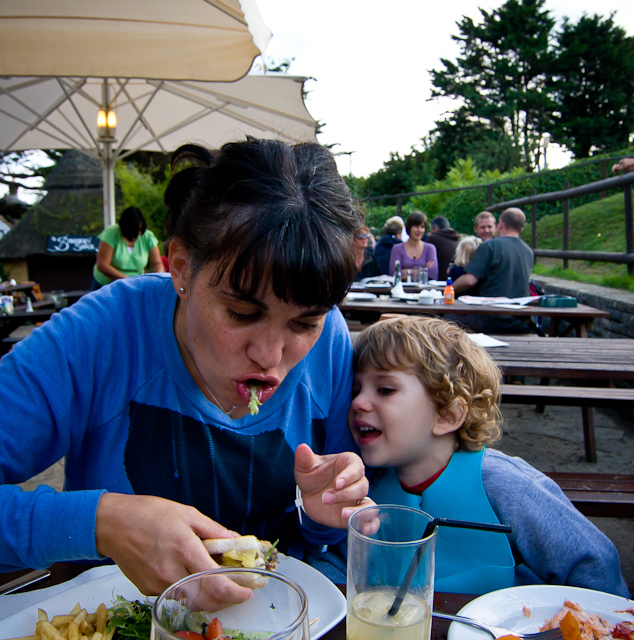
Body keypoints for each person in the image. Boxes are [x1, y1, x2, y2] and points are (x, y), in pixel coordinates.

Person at [0, 138, 372, 602]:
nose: (271, 355)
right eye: (241, 313)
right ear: (180, 267)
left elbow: (339, 541)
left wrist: (325, 517)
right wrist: (102, 522)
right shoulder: (100, 335)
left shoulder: (331, 340)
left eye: (304, 322)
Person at [349, 316, 629, 596]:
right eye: (356, 390)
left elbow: (595, 564)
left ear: (448, 415)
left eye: (385, 390)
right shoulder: (367, 485)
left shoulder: (508, 488)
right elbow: (341, 562)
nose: (358, 402)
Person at [451, 208, 533, 333]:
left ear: (500, 224)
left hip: (491, 319)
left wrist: (447, 290)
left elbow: (469, 281)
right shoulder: (528, 251)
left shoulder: (490, 246)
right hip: (520, 322)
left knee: (446, 320)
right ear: (521, 228)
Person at [91, 206, 164, 291]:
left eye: (141, 229)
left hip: (136, 285)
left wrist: (157, 278)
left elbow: (156, 263)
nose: (139, 233)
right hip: (106, 285)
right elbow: (102, 265)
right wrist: (129, 280)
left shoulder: (147, 236)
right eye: (136, 230)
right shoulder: (111, 233)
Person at [388, 211, 438, 281]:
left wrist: (405, 271)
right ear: (409, 227)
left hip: (425, 290)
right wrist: (423, 271)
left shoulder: (430, 248)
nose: (419, 230)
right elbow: (394, 274)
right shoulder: (397, 248)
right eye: (416, 226)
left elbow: (433, 274)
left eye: (422, 227)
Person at [425, 215, 460, 281]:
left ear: (435, 228)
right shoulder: (458, 239)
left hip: (438, 281)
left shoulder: (433, 238)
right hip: (455, 281)